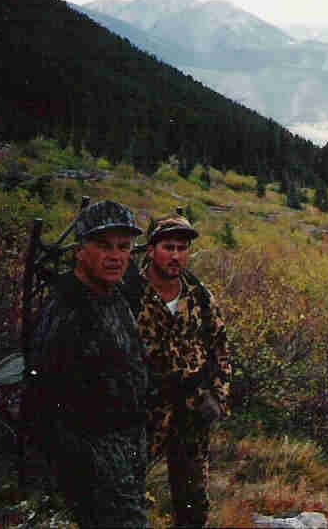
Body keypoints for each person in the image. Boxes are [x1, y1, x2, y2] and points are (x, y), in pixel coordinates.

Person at [29, 200, 149, 528]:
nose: (116, 255)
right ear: (80, 250)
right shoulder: (68, 310)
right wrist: (81, 468)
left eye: (124, 247)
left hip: (127, 453)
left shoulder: (116, 296)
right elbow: (47, 402)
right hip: (94, 465)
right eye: (104, 245)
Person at [125, 214, 231, 528]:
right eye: (168, 246)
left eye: (182, 248)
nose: (175, 255)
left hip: (192, 409)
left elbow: (221, 350)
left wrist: (218, 398)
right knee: (127, 490)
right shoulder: (129, 296)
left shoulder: (200, 297)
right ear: (151, 250)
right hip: (143, 410)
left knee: (192, 499)